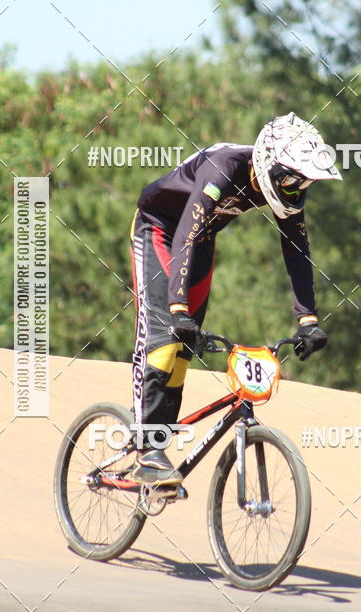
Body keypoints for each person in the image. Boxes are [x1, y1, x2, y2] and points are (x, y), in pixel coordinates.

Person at [129, 111, 341, 486]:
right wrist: (178, 309)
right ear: (266, 162)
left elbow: (297, 252)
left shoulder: (287, 193)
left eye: (304, 181)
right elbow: (185, 236)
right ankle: (147, 449)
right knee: (165, 342)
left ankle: (158, 449)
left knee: (183, 356)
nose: (295, 188)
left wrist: (308, 320)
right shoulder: (224, 168)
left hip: (200, 240)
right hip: (162, 230)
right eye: (290, 178)